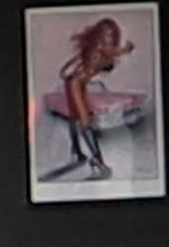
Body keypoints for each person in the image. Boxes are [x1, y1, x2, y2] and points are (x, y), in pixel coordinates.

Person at [42, 14, 133, 184]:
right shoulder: (101, 48)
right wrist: (125, 50)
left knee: (77, 118)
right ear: (99, 34)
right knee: (83, 120)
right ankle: (96, 162)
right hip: (76, 83)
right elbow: (110, 52)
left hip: (77, 83)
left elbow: (101, 57)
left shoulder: (101, 50)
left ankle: (80, 154)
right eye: (106, 34)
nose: (109, 38)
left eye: (112, 35)